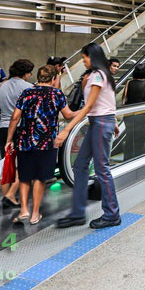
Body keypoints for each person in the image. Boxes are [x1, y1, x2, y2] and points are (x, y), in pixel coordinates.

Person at [56, 43, 122, 230]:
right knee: (80, 165)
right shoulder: (101, 75)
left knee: (102, 170)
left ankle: (112, 214)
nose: (83, 61)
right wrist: (114, 121)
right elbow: (107, 101)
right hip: (100, 123)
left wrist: (66, 129)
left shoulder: (98, 76)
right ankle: (77, 213)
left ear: (92, 57)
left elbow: (88, 107)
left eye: (84, 57)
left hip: (100, 124)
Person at [6, 64, 70, 226]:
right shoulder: (57, 94)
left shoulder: (27, 92)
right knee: (40, 178)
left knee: (25, 175)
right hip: (46, 142)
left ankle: (23, 211)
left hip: (25, 140)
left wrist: (9, 139)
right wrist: (86, 111)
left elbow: (15, 117)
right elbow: (68, 114)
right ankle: (35, 214)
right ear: (54, 78)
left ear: (38, 77)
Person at [0, 58, 34, 208]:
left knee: (7, 164)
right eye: (29, 72)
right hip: (21, 128)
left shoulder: (1, 86)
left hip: (2, 128)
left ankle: (6, 196)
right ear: (25, 73)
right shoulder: (28, 87)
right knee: (26, 164)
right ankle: (11, 194)